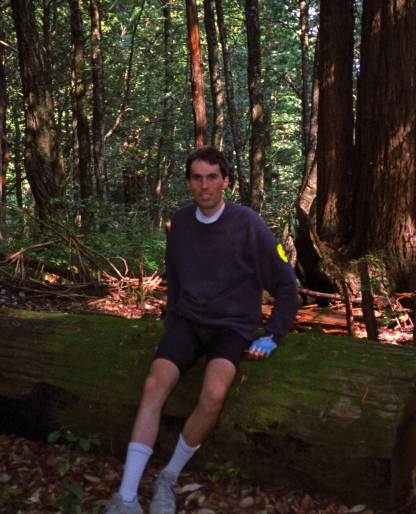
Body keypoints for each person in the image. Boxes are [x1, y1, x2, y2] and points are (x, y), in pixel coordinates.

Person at [105, 146, 299, 514]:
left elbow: (287, 285)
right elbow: (175, 279)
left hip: (232, 328)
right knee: (153, 385)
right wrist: (172, 320)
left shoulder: (249, 225)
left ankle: (168, 477)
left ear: (225, 181)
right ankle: (126, 497)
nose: (205, 185)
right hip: (188, 324)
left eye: (212, 177)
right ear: (189, 183)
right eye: (197, 178)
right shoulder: (179, 223)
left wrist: (273, 333)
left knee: (212, 395)